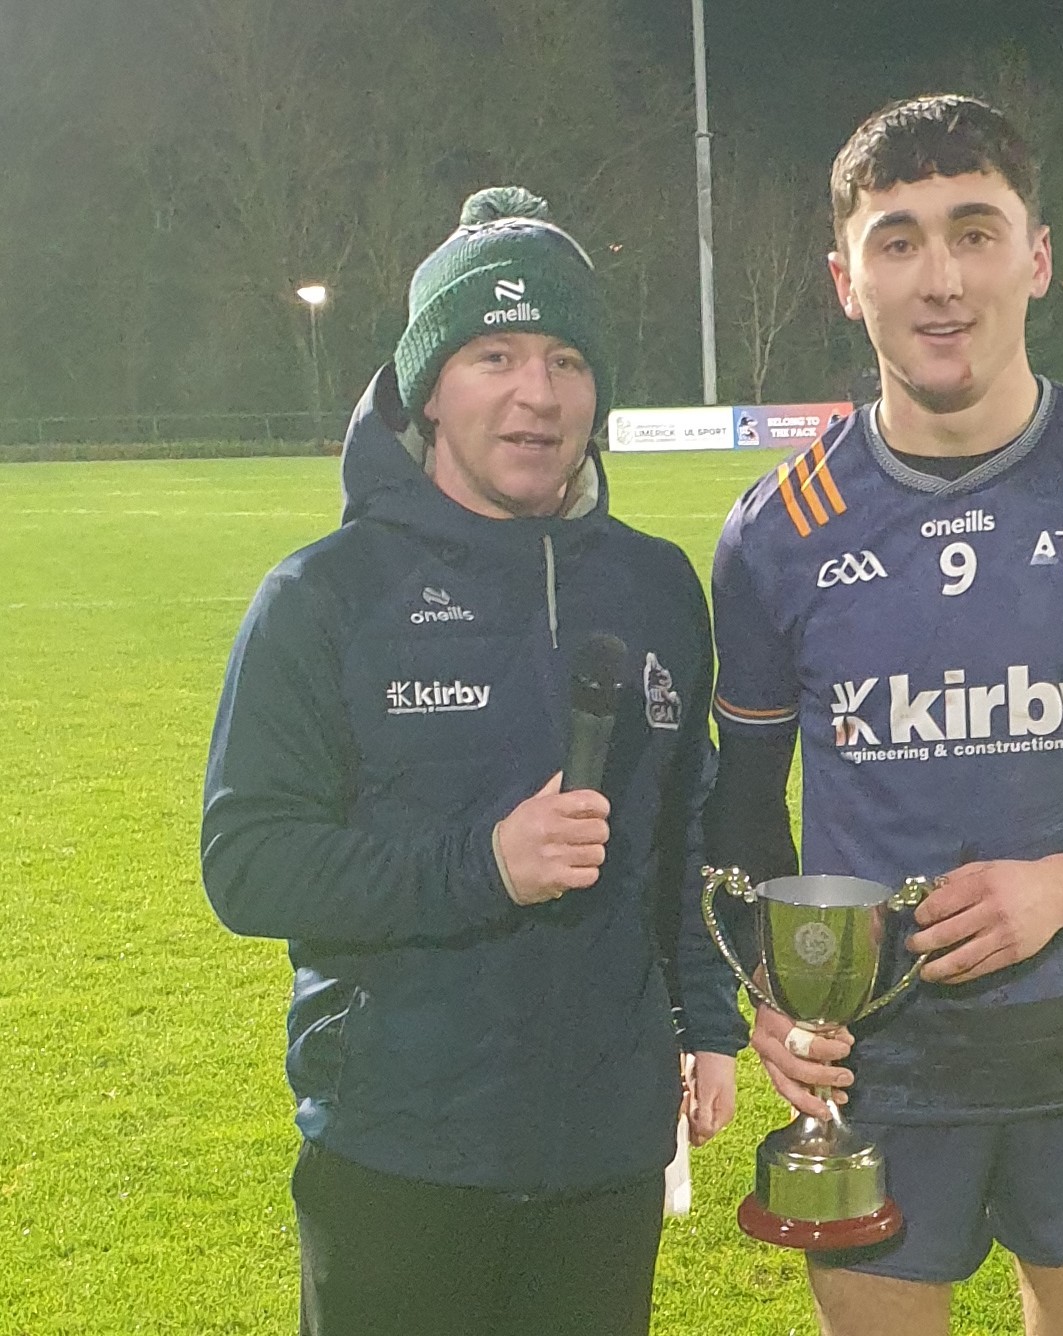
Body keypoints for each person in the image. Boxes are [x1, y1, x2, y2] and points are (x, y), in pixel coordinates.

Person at [705, 96, 1063, 1336]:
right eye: (898, 240)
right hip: (876, 1075)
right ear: (845, 281)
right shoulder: (776, 532)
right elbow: (743, 808)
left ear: (1038, 258)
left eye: (975, 231)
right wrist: (771, 990)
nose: (942, 278)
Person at [201, 186, 743, 1336]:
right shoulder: (323, 597)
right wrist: (484, 863)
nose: (537, 392)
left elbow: (684, 822)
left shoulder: (655, 585)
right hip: (400, 1156)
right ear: (427, 387)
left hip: (605, 1158)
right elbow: (247, 864)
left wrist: (708, 1022)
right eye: (494, 355)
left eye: (566, 359)